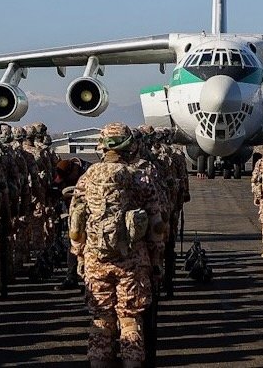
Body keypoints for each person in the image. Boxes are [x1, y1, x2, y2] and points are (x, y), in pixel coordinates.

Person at [70, 123, 164, 368]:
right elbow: (156, 225)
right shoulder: (140, 177)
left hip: (95, 258)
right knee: (130, 317)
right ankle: (132, 361)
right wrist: (156, 260)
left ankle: (99, 361)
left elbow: (76, 222)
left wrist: (80, 256)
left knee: (101, 316)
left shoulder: (87, 177)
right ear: (130, 145)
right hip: (132, 261)